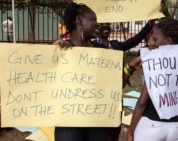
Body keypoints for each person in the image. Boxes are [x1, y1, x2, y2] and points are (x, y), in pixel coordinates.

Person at [53, 2, 139, 141]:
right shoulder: (61, 50)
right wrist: (51, 53)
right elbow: (43, 82)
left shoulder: (102, 52)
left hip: (98, 122)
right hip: (68, 123)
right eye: (93, 20)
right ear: (78, 21)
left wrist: (130, 67)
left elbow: (115, 86)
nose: (97, 24)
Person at [127, 17, 178, 141]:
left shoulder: (158, 63)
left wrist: (130, 131)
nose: (150, 42)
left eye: (155, 39)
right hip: (177, 126)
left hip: (152, 125)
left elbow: (142, 103)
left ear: (168, 41)